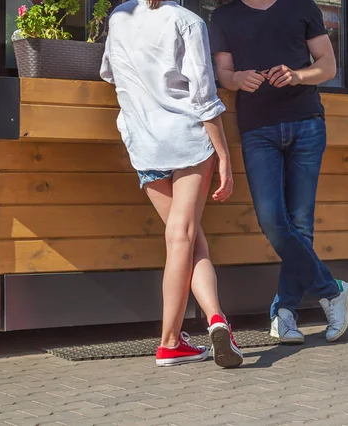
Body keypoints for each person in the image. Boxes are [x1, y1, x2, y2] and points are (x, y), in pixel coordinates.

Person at [100, 0, 243, 368]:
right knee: (184, 237)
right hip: (187, 141)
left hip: (144, 142)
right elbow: (203, 97)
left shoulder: (120, 17)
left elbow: (110, 73)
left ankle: (207, 324)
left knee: (188, 239)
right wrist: (224, 154)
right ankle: (173, 339)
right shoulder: (189, 21)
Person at [209, 0, 348, 344]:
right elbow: (223, 73)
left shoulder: (301, 6)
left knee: (300, 224)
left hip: (307, 123)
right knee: (272, 220)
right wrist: (236, 78)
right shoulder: (224, 15)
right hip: (257, 129)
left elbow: (328, 66)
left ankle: (284, 313)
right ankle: (332, 290)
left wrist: (297, 75)